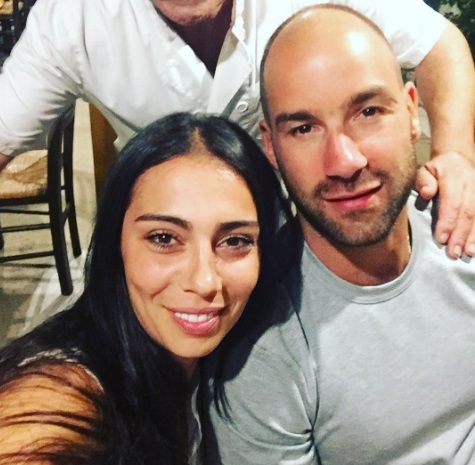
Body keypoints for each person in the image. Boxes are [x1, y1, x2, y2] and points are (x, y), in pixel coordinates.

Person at [205, 6, 475, 464]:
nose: (344, 161)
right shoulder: (263, 353)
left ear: (412, 110)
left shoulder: (461, 222)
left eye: (368, 112)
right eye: (304, 128)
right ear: (271, 146)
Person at [0, 0, 473, 259]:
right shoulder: (73, 17)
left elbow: (439, 44)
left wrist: (455, 153)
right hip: (159, 236)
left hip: (289, 226)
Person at [0, 112, 285, 464]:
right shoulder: (60, 397)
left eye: (235, 241)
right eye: (164, 238)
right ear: (115, 244)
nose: (204, 282)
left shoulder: (234, 356)